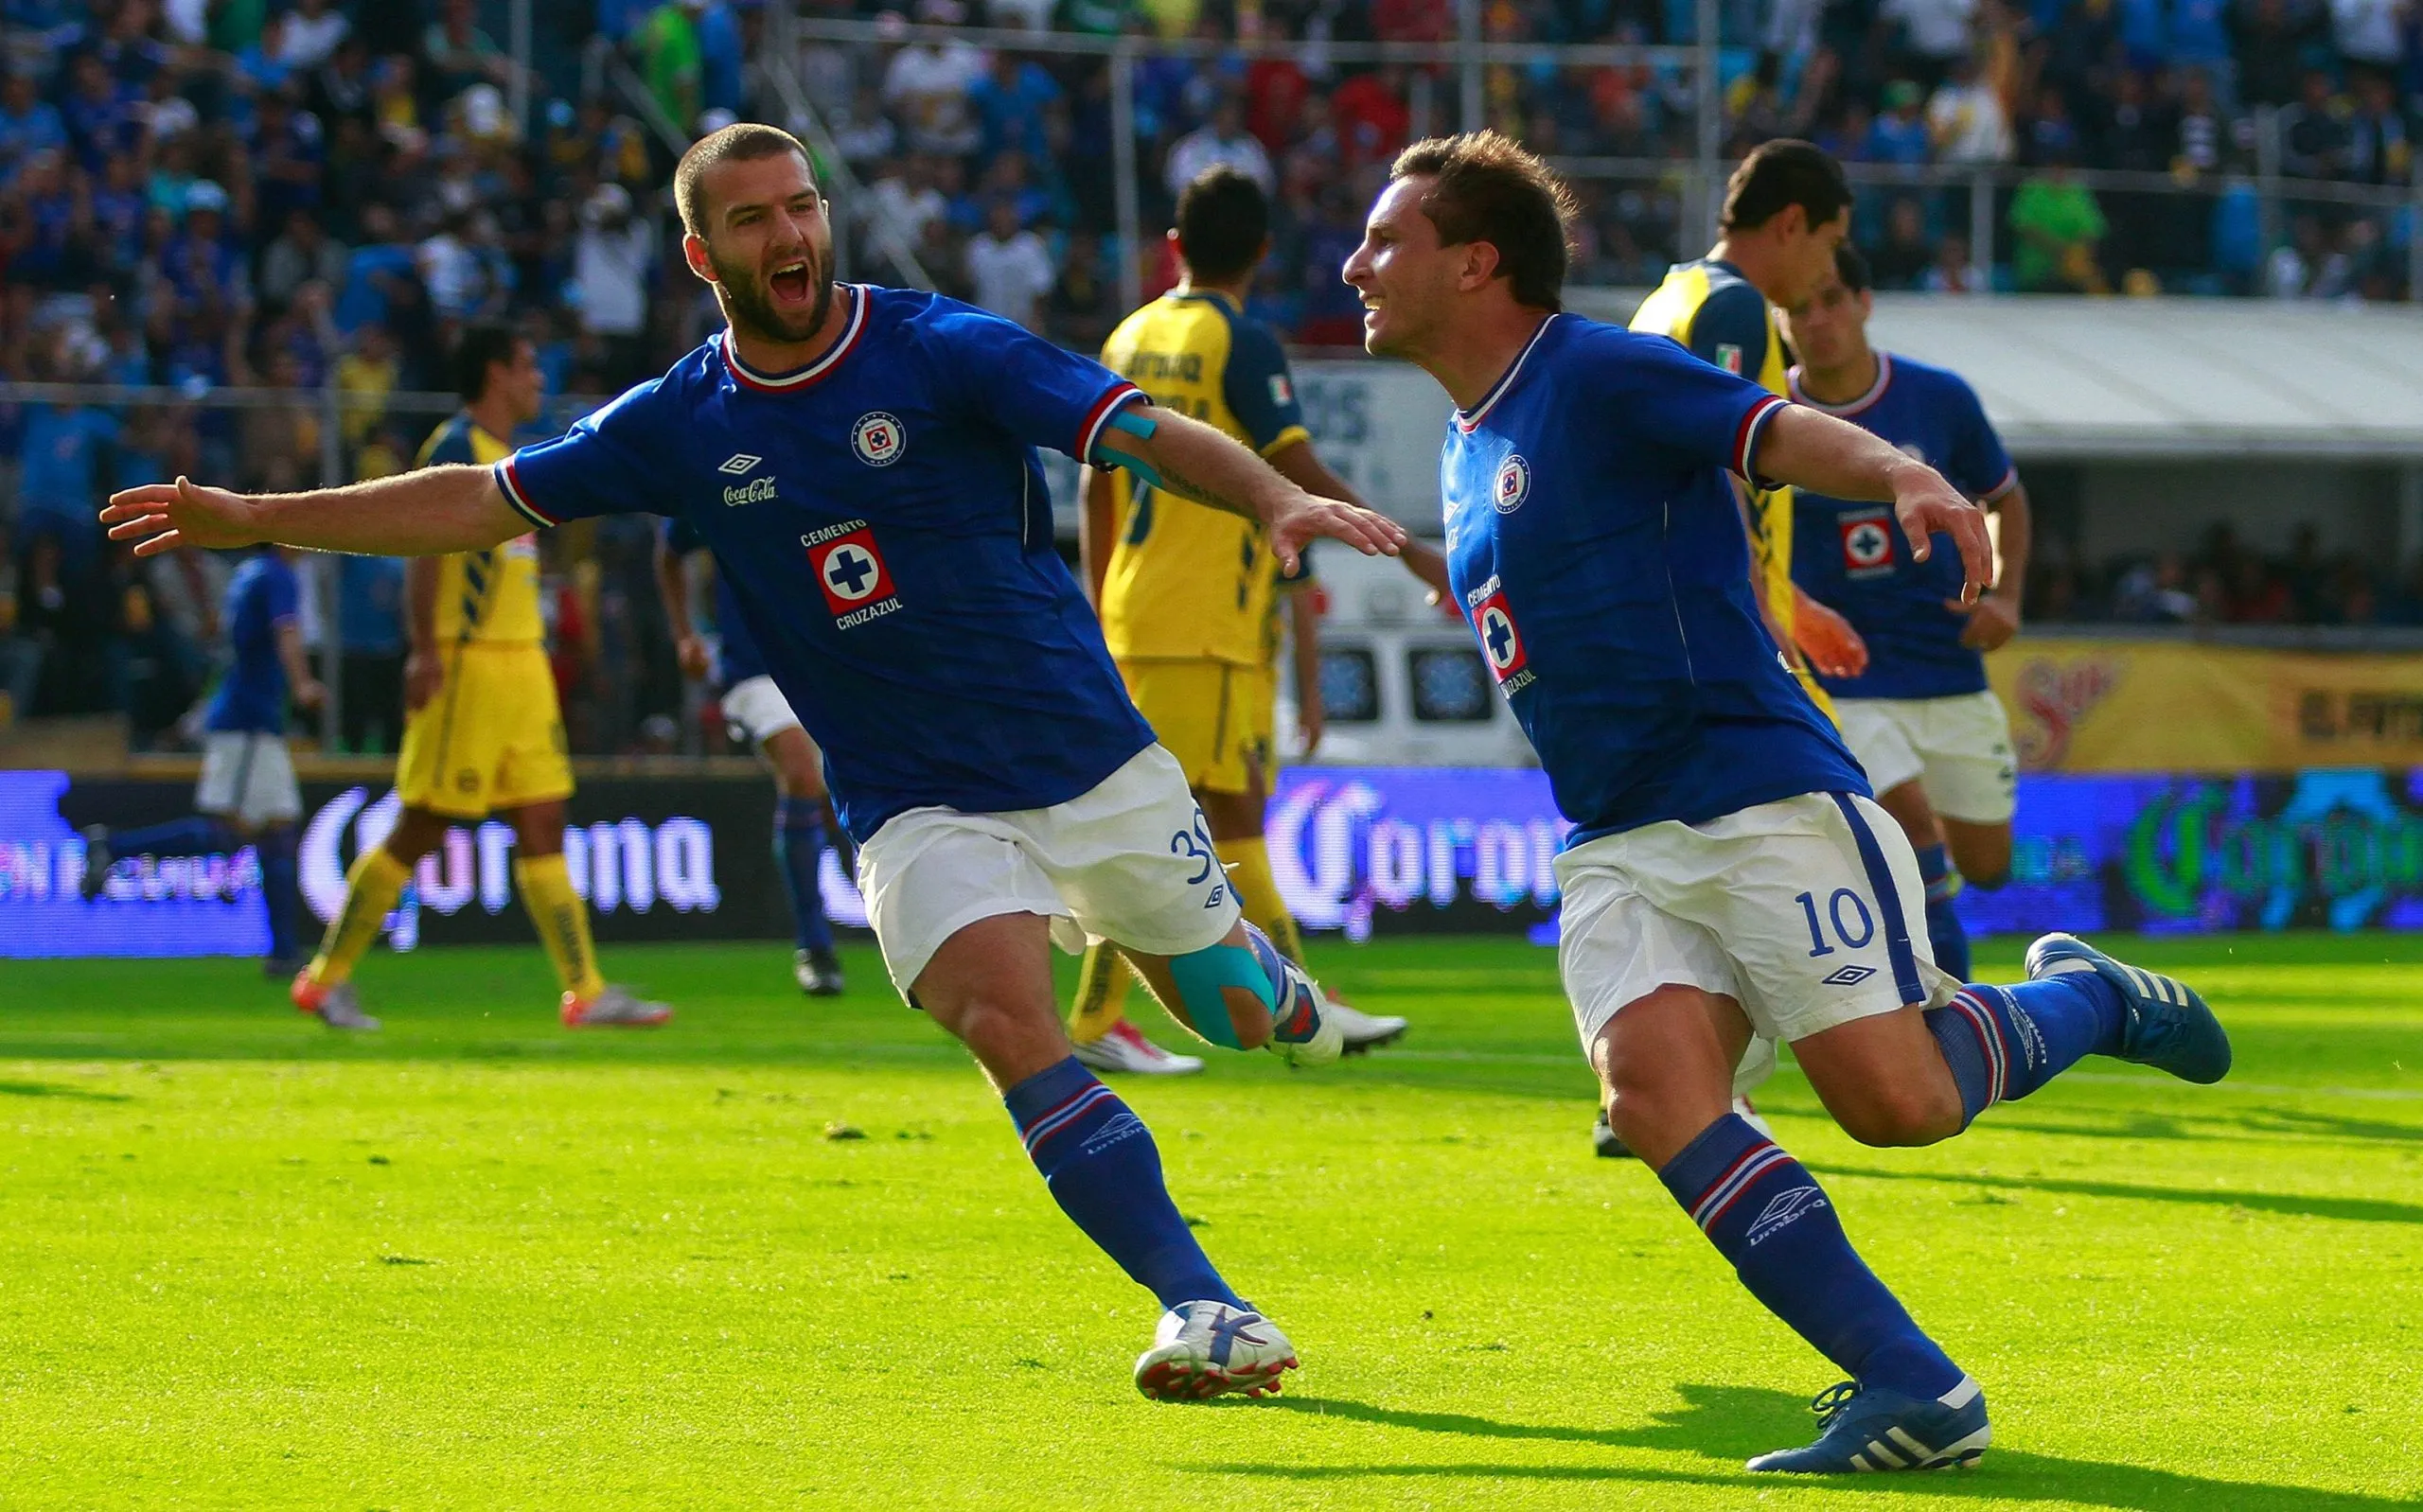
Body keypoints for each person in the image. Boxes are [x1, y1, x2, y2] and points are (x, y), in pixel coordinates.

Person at [103, 122, 1409, 1401]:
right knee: (1004, 1016)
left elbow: (1131, 430)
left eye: (800, 206)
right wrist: (259, 518)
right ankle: (1207, 1304)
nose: (788, 233)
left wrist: (1276, 497)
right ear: (700, 253)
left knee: (1226, 1013)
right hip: (916, 799)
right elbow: (481, 503)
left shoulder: (939, 345)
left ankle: (1284, 998)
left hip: (1088, 759)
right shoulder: (680, 418)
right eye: (752, 217)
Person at [1341, 129, 2229, 1474]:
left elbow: (1769, 430)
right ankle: (1915, 1385)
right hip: (1614, 836)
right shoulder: (1471, 445)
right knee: (1652, 1096)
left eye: (1387, 238)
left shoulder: (1593, 368)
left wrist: (1900, 471)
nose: (1356, 261)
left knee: (1902, 1103)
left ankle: (2093, 998)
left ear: (1476, 261)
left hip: (1751, 795)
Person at [1073, 166, 1443, 1074]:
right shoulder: (1239, 343)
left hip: (1145, 610)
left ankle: (1299, 1002)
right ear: (1264, 254)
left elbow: (1095, 480)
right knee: (1173, 818)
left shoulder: (1131, 337)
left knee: (1217, 805)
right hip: (1203, 620)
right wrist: (1409, 547)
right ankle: (1105, 1023)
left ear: (1174, 246)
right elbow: (1298, 468)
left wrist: (1099, 597)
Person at [284, 325, 670, 1033]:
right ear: (495, 373)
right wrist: (426, 648)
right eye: (528, 367)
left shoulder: (511, 457)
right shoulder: (456, 447)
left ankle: (584, 991)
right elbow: (423, 546)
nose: (538, 380)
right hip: (468, 659)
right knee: (423, 823)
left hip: (521, 661)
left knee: (543, 817)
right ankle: (323, 980)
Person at [1608, 136, 1865, 1160]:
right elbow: (1714, 464)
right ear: (1791, 223)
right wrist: (1757, 615)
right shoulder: (1729, 310)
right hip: (1718, 640)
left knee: (1703, 869)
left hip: (1686, 628)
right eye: (1830, 244)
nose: (1827, 277)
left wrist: (1785, 596)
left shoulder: (1661, 300)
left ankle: (1670, 1079)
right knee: (1834, 828)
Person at [1780, 244, 2029, 982]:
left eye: (1831, 301)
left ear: (1865, 303)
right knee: (1910, 828)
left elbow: (2005, 495)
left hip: (1945, 663)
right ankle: (1949, 1009)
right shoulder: (1763, 415)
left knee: (1987, 866)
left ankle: (1914, 942)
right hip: (1839, 674)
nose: (1817, 321)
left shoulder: (1938, 398)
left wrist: (2008, 594)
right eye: (1799, 307)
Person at [80, 544, 323, 975]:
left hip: (247, 717)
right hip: (250, 720)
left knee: (276, 830)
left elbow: (230, 653)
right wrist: (303, 684)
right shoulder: (276, 576)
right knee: (232, 831)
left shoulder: (246, 574)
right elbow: (286, 632)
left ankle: (284, 952)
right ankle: (113, 847)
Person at [654, 519, 844, 995]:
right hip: (755, 669)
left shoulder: (834, 468)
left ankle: (909, 935)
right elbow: (670, 549)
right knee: (802, 775)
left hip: (834, 665)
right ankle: (814, 944)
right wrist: (685, 634)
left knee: (852, 788)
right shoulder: (727, 472)